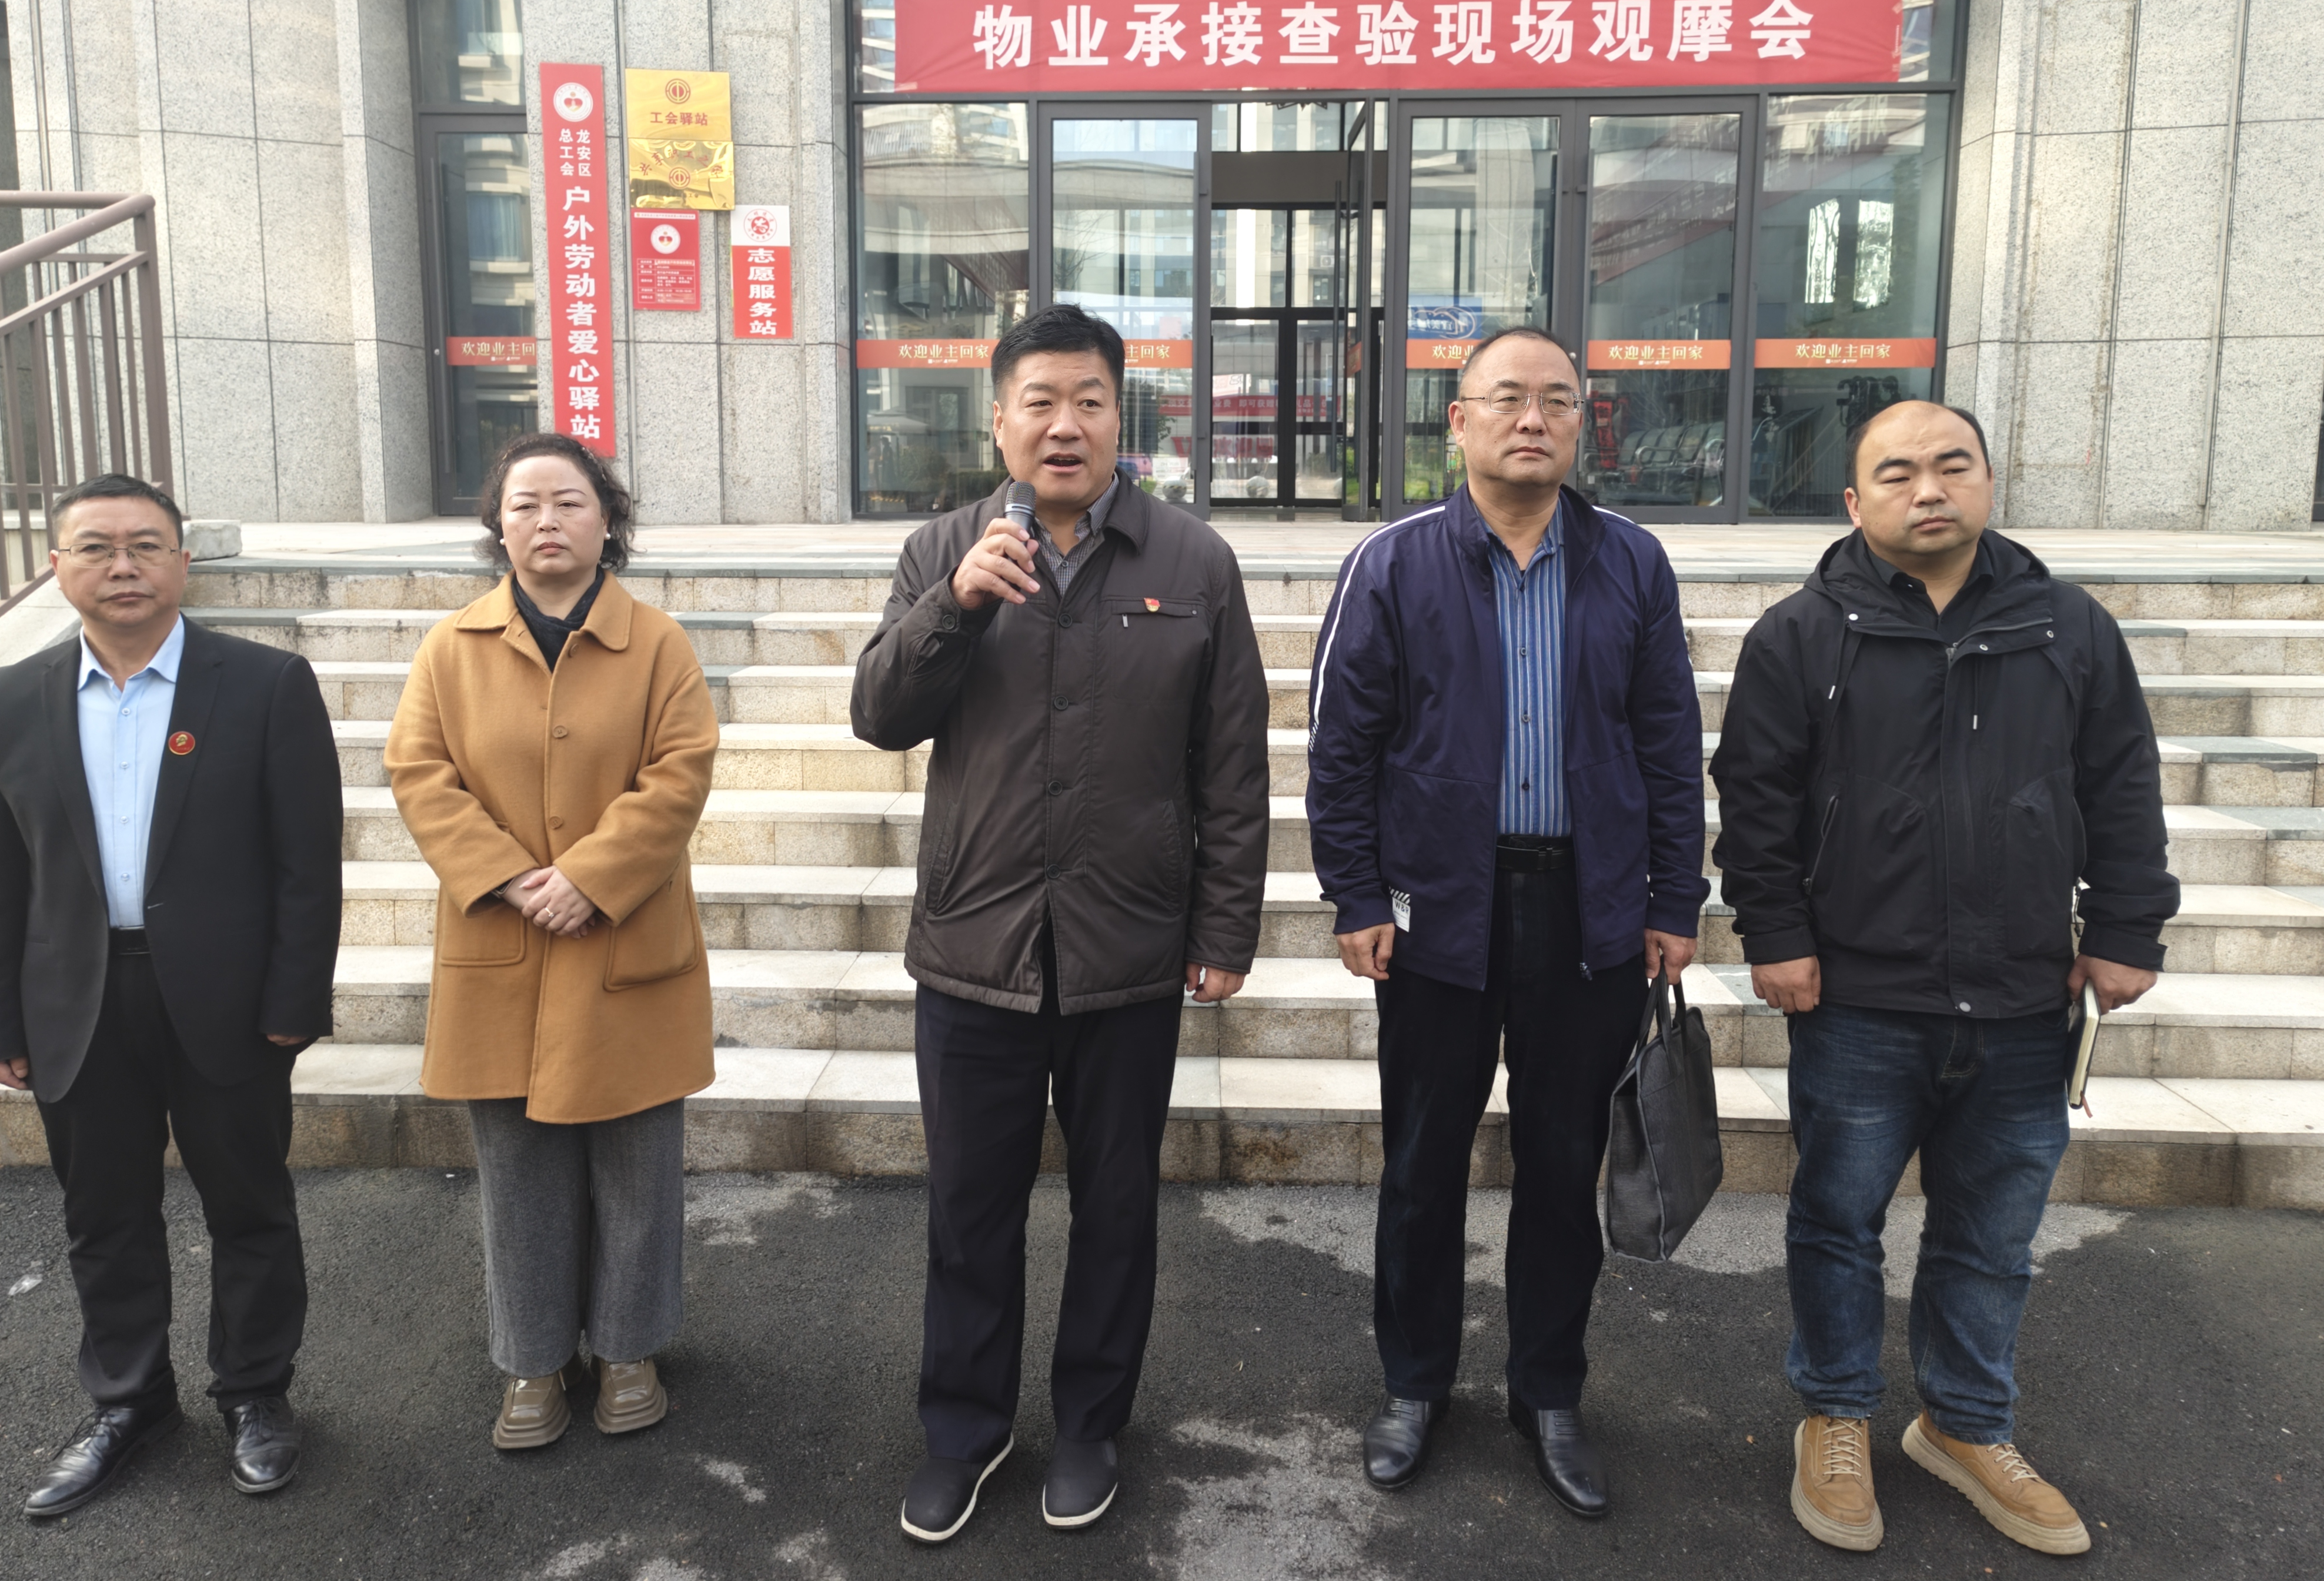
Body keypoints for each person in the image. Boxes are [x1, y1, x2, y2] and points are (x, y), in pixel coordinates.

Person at [1710, 400, 2175, 1558]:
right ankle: (1835, 1414)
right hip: (1859, 999)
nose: (1928, 488)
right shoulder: (1800, 635)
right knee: (1836, 1222)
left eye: (1951, 465)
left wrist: (2127, 925)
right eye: (1897, 472)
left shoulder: (2068, 628)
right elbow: (1756, 800)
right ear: (1853, 500)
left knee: (1991, 1237)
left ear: (1986, 482)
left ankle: (1963, 1423)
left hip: (2020, 997)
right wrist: (1774, 933)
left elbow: (2120, 783)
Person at [851, 303, 1270, 1543]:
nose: (1064, 424)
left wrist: (1225, 929)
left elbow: (1231, 764)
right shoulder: (941, 549)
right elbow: (879, 715)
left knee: (1117, 1210)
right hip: (974, 949)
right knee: (968, 1212)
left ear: (1118, 416)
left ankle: (1091, 1425)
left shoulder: (1192, 562)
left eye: (1088, 400)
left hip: (1128, 948)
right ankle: (963, 1431)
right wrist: (955, 606)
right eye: (1038, 401)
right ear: (999, 421)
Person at [1305, 326, 1707, 1516]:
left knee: (1562, 1165)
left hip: (1587, 912)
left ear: (1581, 423)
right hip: (1438, 909)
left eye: (1557, 401)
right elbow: (1341, 750)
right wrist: (1357, 894)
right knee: (1422, 1163)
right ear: (1460, 422)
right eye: (1507, 398)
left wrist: (1671, 898)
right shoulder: (1391, 565)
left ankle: (1548, 1392)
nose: (1532, 419)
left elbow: (1668, 744)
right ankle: (1413, 1383)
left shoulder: (1630, 563)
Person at [0, 472, 343, 1516]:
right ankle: (129, 1403)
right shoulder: (7, 699)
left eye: (144, 546)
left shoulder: (265, 685)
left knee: (249, 1206)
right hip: (74, 1005)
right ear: (58, 566)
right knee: (104, 1216)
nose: (121, 567)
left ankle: (256, 1393)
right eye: (96, 548)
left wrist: (295, 1002)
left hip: (229, 1002)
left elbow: (308, 863)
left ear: (182, 561)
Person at [386, 433, 717, 1451]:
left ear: (608, 520)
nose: (546, 522)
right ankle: (532, 1362)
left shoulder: (658, 644)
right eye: (524, 504)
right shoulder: (451, 648)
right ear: (498, 524)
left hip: (627, 945)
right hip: (504, 940)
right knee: (519, 1172)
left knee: (637, 1167)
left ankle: (629, 1351)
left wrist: (591, 879)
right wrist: (508, 876)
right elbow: (419, 772)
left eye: (569, 502)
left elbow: (680, 772)